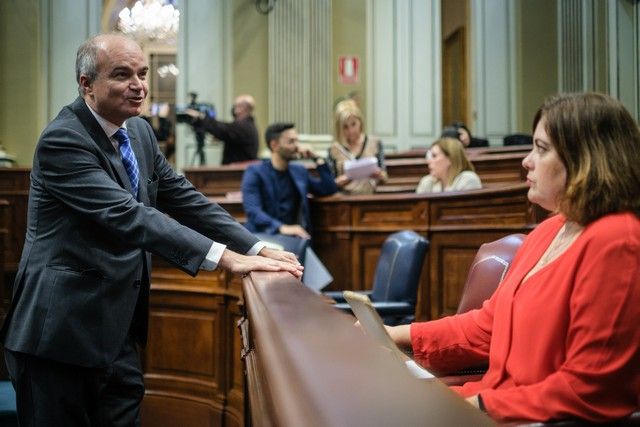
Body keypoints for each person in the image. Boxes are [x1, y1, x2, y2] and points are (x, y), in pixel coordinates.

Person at [0, 33, 302, 426]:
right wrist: (227, 258)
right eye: (122, 74)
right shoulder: (63, 139)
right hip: (59, 336)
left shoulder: (139, 132)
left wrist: (257, 248)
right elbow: (129, 216)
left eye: (142, 73)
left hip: (118, 333)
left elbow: (183, 197)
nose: (139, 85)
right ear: (86, 84)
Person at [388, 93, 640, 423]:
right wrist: (397, 333)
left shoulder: (618, 239)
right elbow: (487, 327)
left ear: (586, 158)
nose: (527, 161)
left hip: (526, 416)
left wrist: (472, 406)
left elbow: (588, 388)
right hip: (497, 403)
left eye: (542, 148)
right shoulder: (548, 231)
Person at [242, 122, 338, 239]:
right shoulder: (255, 172)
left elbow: (328, 189)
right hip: (263, 237)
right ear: (274, 145)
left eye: (297, 141)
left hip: (294, 238)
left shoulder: (299, 171)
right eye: (291, 142)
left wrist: (317, 158)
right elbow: (253, 211)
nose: (297, 146)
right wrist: (281, 227)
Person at [327, 101, 387, 194]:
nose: (351, 131)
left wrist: (379, 175)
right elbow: (330, 184)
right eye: (345, 127)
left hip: (370, 197)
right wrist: (343, 180)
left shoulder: (375, 143)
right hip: (344, 200)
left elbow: (384, 177)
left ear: (360, 122)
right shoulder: (334, 149)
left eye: (353, 124)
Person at [188, 94, 259, 164]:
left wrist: (201, 118)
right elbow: (226, 131)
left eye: (235, 106)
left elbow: (223, 129)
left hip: (237, 172)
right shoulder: (248, 125)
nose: (233, 109)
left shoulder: (244, 126)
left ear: (242, 108)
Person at [415, 137, 482, 193]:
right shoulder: (427, 182)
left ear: (450, 158)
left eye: (434, 156)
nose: (428, 161)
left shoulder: (468, 179)